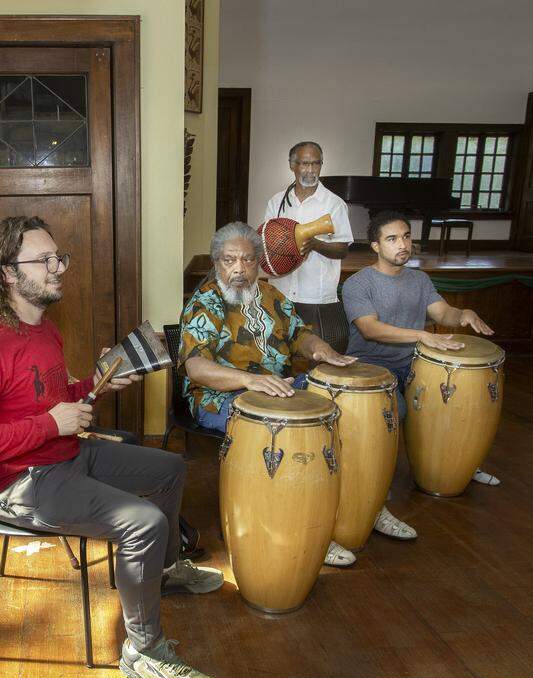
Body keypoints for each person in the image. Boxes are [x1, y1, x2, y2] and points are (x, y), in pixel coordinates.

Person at [0, 215, 224, 678]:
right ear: (8, 274)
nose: (58, 267)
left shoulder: (43, 330)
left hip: (64, 454)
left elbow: (53, 402)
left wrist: (95, 384)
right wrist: (51, 423)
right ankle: (143, 651)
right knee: (141, 522)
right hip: (15, 482)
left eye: (59, 257)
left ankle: (161, 571)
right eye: (44, 260)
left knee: (169, 469)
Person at [177, 221, 414, 566]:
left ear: (259, 261)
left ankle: (366, 507)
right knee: (294, 434)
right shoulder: (205, 303)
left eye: (246, 260)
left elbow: (300, 335)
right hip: (218, 398)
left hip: (280, 388)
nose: (239, 269)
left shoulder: (272, 296)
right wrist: (249, 380)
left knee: (345, 408)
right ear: (216, 263)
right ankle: (308, 528)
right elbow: (196, 368)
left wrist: (322, 350)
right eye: (229, 261)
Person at [343, 210, 501, 501]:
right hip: (371, 368)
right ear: (376, 246)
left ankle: (458, 466)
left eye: (406, 236)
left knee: (455, 403)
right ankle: (372, 484)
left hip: (416, 366)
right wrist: (421, 335)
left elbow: (443, 313)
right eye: (392, 239)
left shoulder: (419, 280)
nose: (402, 244)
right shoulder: (358, 283)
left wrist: (463, 313)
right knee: (396, 410)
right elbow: (370, 329)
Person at [262, 141, 354, 353]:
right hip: (280, 293)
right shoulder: (276, 202)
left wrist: (314, 244)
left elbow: (342, 250)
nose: (311, 170)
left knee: (317, 358)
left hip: (317, 297)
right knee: (280, 357)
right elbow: (265, 242)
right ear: (292, 165)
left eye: (316, 164)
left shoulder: (334, 204)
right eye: (304, 164)